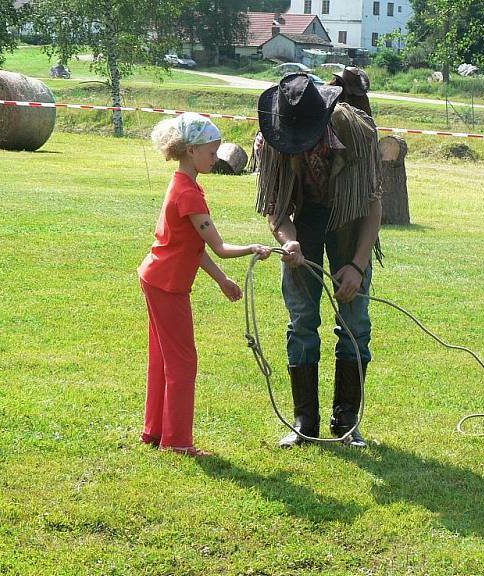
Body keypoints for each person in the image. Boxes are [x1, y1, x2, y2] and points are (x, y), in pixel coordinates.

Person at [255, 73, 382, 448]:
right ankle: (303, 423)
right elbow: (276, 209)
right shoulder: (273, 142)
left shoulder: (358, 133)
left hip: (351, 218)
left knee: (355, 324)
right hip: (304, 220)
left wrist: (357, 266)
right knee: (302, 321)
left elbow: (373, 206)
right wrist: (290, 243)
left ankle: (347, 422)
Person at [138, 113, 271, 457]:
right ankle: (178, 441)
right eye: (212, 153)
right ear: (192, 150)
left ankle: (155, 431)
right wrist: (255, 248)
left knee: (163, 358)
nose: (216, 159)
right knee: (183, 362)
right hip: (167, 285)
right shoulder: (190, 195)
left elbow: (191, 247)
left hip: (156, 277)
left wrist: (222, 280)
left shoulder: (183, 184)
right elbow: (220, 248)